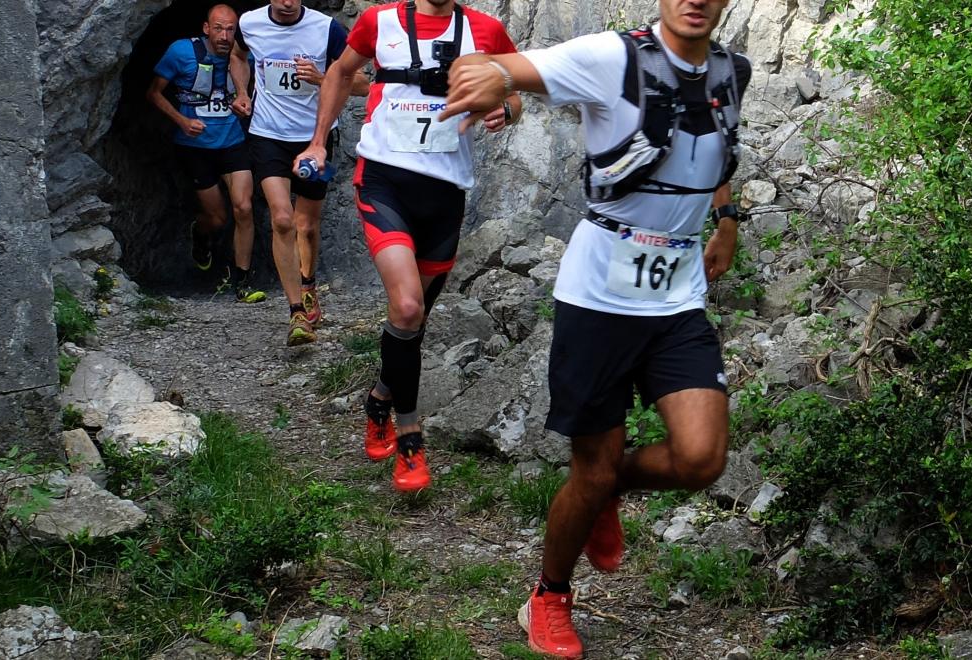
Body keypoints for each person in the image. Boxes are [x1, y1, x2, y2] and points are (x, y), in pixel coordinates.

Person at [442, 0, 751, 654]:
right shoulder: (612, 58)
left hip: (676, 297)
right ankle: (548, 596)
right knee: (591, 471)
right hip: (598, 298)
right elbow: (509, 68)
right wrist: (490, 76)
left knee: (702, 458)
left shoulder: (731, 71)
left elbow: (719, 150)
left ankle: (614, 486)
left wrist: (726, 220)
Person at [294, 0, 521, 491]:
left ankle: (379, 398)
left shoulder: (487, 30)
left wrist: (505, 110)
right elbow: (338, 73)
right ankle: (410, 435)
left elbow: (514, 90)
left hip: (445, 192)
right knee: (407, 304)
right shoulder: (380, 20)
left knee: (412, 321)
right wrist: (316, 142)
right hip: (384, 181)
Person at [231, 0, 369, 346]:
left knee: (306, 225)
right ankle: (296, 313)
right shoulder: (250, 23)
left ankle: (308, 285)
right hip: (268, 135)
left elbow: (363, 84)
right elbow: (236, 54)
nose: (288, 3)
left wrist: (323, 78)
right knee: (282, 219)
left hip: (315, 139)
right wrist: (243, 91)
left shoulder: (327, 29)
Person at [148, 3, 266, 303]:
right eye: (218, 28)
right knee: (217, 217)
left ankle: (242, 281)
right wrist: (182, 121)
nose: (225, 35)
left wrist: (243, 100)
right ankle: (200, 234)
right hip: (195, 148)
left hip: (232, 142)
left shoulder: (244, 55)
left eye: (230, 29)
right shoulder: (180, 52)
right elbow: (153, 93)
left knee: (244, 207)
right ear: (205, 28)